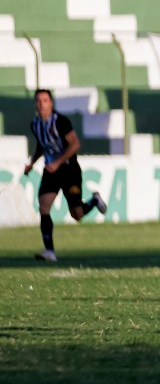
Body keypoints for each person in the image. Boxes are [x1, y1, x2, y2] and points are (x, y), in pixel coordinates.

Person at [23, 89, 107, 262]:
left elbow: (75, 144)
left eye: (45, 100)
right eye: (38, 101)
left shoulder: (61, 121)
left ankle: (94, 200)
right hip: (51, 171)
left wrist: (57, 162)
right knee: (44, 206)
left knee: (77, 215)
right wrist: (32, 162)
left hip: (69, 170)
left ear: (51, 103)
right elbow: (41, 146)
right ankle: (50, 251)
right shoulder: (35, 124)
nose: (41, 104)